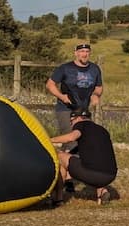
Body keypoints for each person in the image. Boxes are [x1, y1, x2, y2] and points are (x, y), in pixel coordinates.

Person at [46, 43, 103, 192]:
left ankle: (68, 175)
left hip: (83, 111)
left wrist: (96, 95)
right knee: (71, 141)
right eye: (81, 51)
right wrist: (61, 96)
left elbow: (98, 87)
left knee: (83, 142)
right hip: (66, 109)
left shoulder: (95, 69)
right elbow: (50, 84)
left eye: (87, 52)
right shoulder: (65, 68)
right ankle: (66, 181)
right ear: (75, 53)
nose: (84, 54)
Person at [50, 108, 117, 207]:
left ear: (77, 118)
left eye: (71, 122)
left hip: (93, 174)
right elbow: (90, 150)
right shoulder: (102, 130)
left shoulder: (80, 124)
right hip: (110, 175)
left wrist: (49, 140)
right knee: (97, 162)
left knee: (60, 157)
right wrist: (70, 153)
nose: (71, 125)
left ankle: (57, 199)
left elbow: (71, 137)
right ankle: (102, 192)